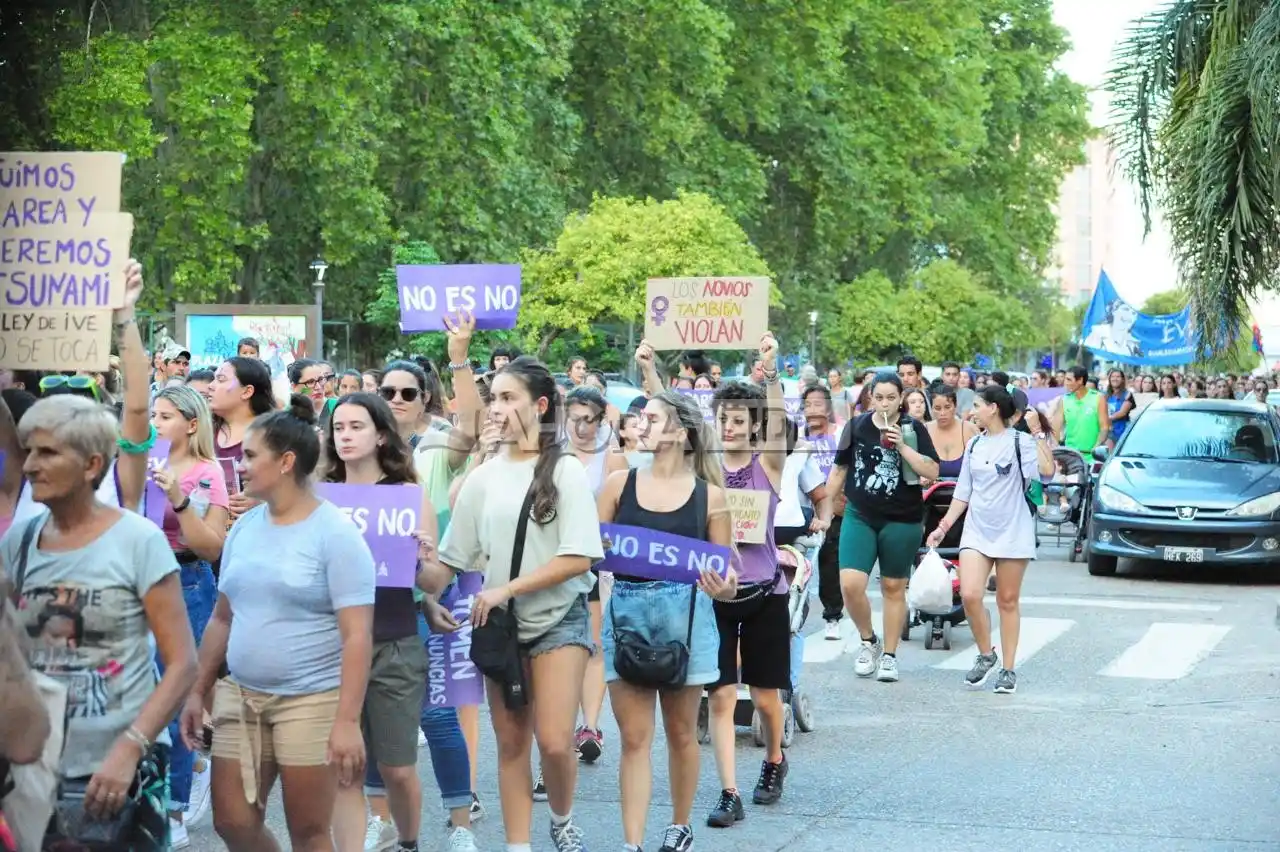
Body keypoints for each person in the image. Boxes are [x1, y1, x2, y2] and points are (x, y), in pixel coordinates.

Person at [179, 395, 376, 852]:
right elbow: (222, 618)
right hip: (240, 698)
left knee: (308, 831)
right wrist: (196, 691)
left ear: (286, 461)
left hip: (311, 702)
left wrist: (346, 721)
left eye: (250, 456)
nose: (240, 466)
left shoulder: (336, 535)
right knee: (233, 823)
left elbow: (358, 635)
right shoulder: (245, 527)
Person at [4, 394, 197, 850]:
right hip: (35, 770)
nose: (30, 465)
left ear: (92, 465)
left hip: (117, 769)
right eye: (29, 450)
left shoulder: (137, 540)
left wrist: (131, 748)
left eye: (47, 452)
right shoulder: (21, 541)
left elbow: (182, 664)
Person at [438, 356, 603, 852]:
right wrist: (424, 586)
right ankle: (518, 846)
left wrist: (506, 588)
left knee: (554, 742)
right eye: (494, 399)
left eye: (509, 398)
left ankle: (561, 817)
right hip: (500, 629)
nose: (497, 408)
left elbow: (578, 558)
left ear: (541, 405)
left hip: (558, 620)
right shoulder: (483, 477)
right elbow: (450, 560)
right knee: (512, 746)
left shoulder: (565, 470)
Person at [322, 392, 464, 852]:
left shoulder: (407, 496)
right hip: (332, 644)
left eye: (356, 426)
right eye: (338, 427)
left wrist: (423, 559)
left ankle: (407, 841)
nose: (345, 435)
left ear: (380, 434)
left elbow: (431, 580)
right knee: (344, 767)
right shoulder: (320, 495)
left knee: (399, 767)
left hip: (394, 641)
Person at [597, 389, 738, 852]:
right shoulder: (618, 484)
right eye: (640, 418)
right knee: (634, 738)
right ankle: (631, 843)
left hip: (689, 618)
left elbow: (728, 575)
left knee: (681, 733)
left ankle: (679, 826)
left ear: (681, 431)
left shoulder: (711, 497)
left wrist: (725, 587)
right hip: (627, 617)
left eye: (653, 419)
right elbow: (591, 550)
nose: (641, 424)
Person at [926, 387, 1056, 694]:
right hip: (977, 530)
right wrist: (943, 527)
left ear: (994, 408)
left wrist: (1037, 433)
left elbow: (1047, 472)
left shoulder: (1019, 441)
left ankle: (1008, 669)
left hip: (1013, 531)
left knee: (1007, 601)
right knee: (970, 594)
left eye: (977, 405)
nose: (972, 411)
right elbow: (963, 493)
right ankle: (986, 654)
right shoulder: (973, 445)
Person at [148, 385, 230, 846]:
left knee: (180, 696)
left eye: (165, 415)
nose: (155, 423)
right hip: (138, 583)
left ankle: (175, 809)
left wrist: (178, 498)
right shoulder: (137, 463)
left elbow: (212, 546)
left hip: (187, 581)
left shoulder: (207, 473)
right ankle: (159, 786)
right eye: (152, 415)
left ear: (191, 423)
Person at [825, 371, 940, 683]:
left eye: (892, 397)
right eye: (879, 397)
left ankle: (889, 655)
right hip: (860, 514)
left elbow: (932, 469)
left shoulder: (913, 428)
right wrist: (824, 511)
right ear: (870, 398)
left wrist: (903, 446)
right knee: (850, 584)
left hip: (902, 518)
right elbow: (840, 470)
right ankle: (868, 640)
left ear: (901, 398)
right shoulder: (856, 426)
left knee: (892, 587)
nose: (885, 404)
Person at [564, 386, 628, 768]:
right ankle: (561, 727)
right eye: (575, 419)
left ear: (602, 420)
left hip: (596, 561)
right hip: (555, 560)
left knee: (593, 643)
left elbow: (618, 514)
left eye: (590, 419)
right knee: (561, 646)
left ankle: (589, 727)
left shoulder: (613, 457)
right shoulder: (550, 452)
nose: (582, 427)